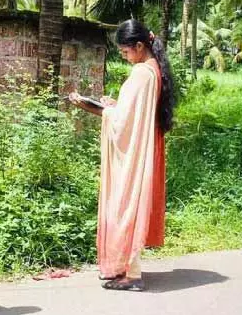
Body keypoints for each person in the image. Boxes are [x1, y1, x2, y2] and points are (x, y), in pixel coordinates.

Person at [69, 19, 174, 292]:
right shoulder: (153, 69)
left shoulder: (141, 72)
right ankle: (126, 267)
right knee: (131, 202)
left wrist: (93, 108)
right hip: (145, 143)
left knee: (126, 203)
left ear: (139, 46)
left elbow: (125, 121)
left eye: (126, 52)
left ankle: (133, 274)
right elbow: (136, 111)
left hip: (136, 148)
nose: (125, 57)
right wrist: (116, 106)